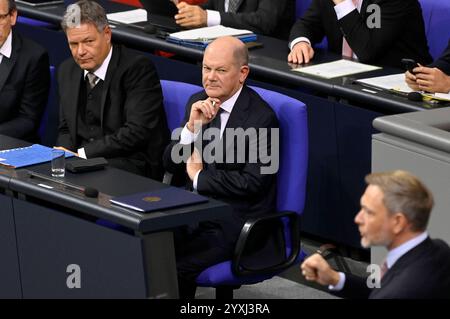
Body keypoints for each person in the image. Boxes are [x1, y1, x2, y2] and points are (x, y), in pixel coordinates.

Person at [163, 36, 279, 298]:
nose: (210, 77)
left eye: (220, 70)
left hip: (237, 220)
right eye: (206, 68)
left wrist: (199, 177)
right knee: (151, 248)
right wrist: (191, 130)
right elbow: (169, 161)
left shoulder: (262, 118)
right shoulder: (198, 101)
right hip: (194, 211)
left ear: (242, 74)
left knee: (175, 266)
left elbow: (254, 182)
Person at [56, 0, 169, 179]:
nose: (80, 52)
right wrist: (65, 154)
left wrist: (83, 154)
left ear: (107, 34)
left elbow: (136, 132)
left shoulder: (137, 68)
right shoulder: (67, 70)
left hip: (128, 162)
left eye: (88, 41)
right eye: (74, 44)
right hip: (79, 161)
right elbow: (65, 128)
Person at [301, 170, 450, 299]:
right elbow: (383, 289)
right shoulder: (439, 250)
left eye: (369, 212)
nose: (358, 219)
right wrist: (335, 278)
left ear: (398, 222)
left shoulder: (398, 292)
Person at [288, 0, 432, 68]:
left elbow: (367, 50)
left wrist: (343, 4)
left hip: (397, 85)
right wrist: (301, 42)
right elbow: (306, 24)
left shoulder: (390, 2)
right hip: (343, 81)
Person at [0, 0, 50, 141]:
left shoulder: (34, 57)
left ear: (13, 16)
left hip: (9, 144)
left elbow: (28, 120)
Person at [173, 0, 294, 39]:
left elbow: (264, 22)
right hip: (218, 54)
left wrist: (207, 17)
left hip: (261, 63)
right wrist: (189, 13)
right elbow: (211, 7)